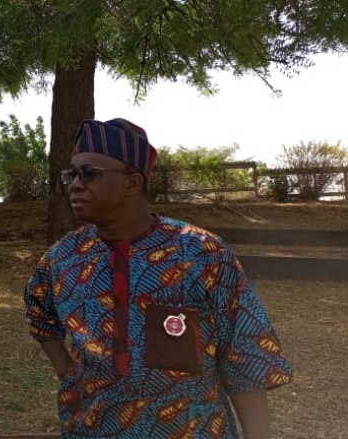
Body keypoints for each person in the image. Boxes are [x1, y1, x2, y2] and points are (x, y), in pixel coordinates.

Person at [23, 118, 293, 438]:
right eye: (73, 174)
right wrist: (70, 376)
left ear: (132, 183)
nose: (75, 184)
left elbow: (245, 358)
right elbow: (39, 312)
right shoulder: (63, 257)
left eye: (90, 173)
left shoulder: (201, 254)